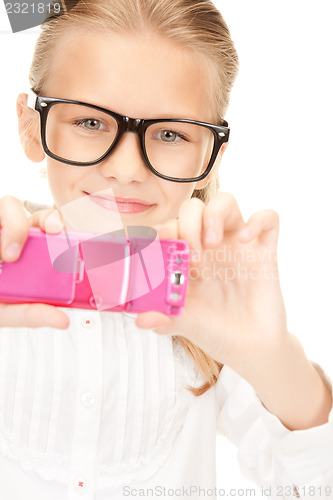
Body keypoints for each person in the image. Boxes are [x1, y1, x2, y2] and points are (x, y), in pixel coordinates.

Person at [0, 1, 332, 499]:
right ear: (32, 126)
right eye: (91, 123)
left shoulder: (209, 302)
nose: (127, 169)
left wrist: (273, 356)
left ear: (211, 152)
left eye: (171, 133)